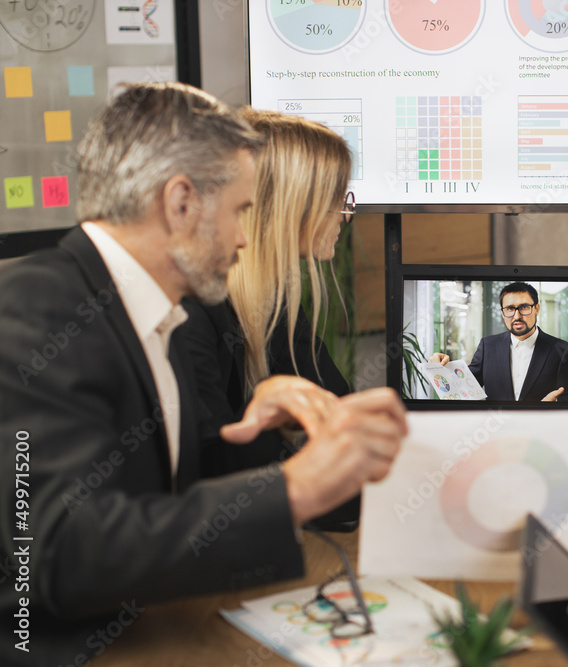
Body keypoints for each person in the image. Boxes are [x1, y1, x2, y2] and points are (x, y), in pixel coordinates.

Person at [0, 83, 406, 666]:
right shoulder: (36, 307)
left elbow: (160, 501)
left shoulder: (152, 314)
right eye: (241, 211)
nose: (246, 236)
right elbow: (60, 553)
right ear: (181, 202)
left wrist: (252, 429)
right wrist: (292, 489)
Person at [176, 110, 361, 526]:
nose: (345, 216)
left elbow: (340, 417)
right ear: (290, 208)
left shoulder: (276, 305)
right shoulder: (192, 316)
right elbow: (217, 475)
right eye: (337, 200)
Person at [430, 282, 568, 402]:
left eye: (524, 307)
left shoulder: (560, 350)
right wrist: (440, 369)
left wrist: (551, 407)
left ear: (537, 309)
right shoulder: (488, 346)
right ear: (502, 313)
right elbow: (464, 387)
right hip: (496, 432)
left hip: (539, 431)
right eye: (509, 309)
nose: (516, 316)